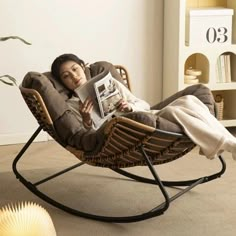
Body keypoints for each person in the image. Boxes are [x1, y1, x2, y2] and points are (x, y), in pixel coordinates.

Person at [51, 53, 236, 161]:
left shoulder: (107, 84)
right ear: (63, 83)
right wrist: (86, 119)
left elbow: (144, 105)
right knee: (174, 109)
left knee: (189, 100)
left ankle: (227, 143)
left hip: (146, 117)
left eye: (75, 69)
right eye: (66, 76)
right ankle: (227, 143)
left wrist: (129, 107)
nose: (74, 76)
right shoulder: (72, 106)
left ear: (83, 67)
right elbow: (89, 137)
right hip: (124, 134)